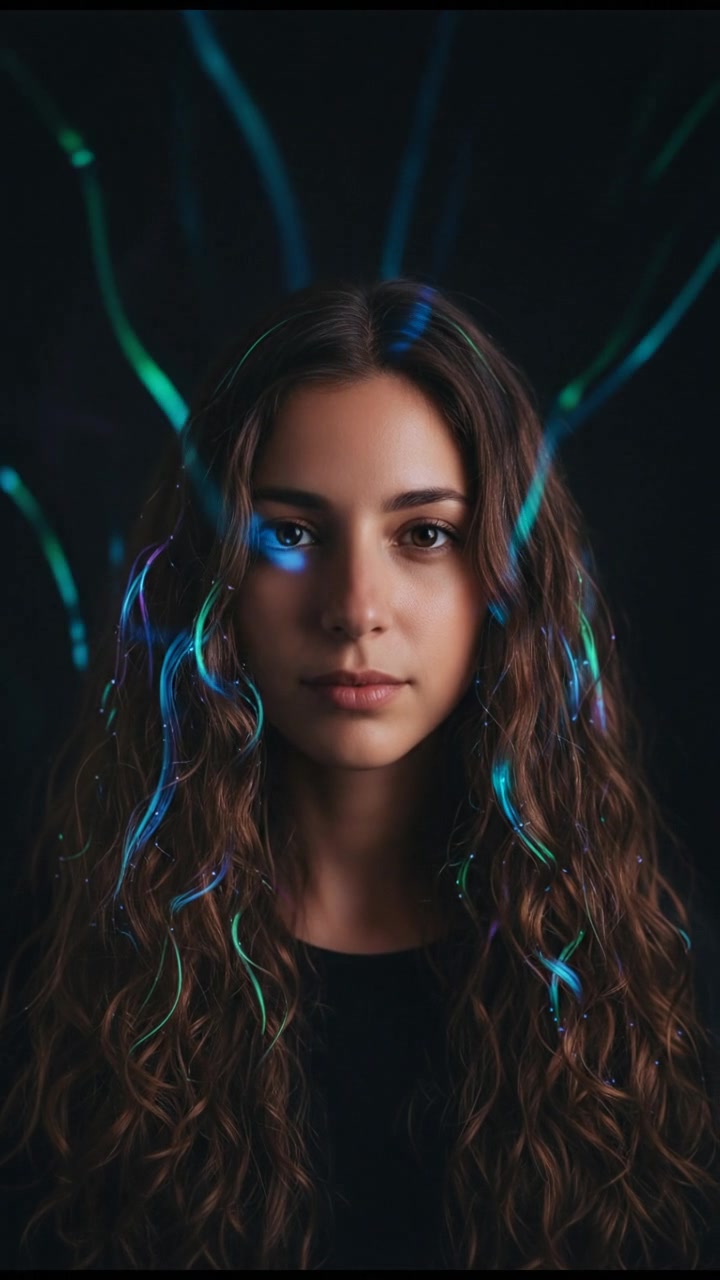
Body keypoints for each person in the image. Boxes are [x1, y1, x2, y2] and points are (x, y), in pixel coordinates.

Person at [1, 279, 719, 1270]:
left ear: (505, 578)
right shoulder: (54, 975)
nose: (355, 607)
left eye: (424, 533)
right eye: (289, 532)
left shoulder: (647, 983)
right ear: (214, 570)